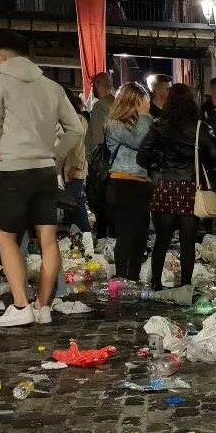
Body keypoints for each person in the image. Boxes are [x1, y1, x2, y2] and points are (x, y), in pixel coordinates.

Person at [0, 31, 85, 328]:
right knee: (48, 237)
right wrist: (54, 154)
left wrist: (5, 143)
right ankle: (44, 306)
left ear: (2, 57)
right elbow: (75, 130)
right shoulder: (52, 86)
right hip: (45, 170)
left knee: (5, 235)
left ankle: (20, 306)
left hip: (15, 167)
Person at [136, 83, 216, 291]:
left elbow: (142, 154)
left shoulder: (159, 124)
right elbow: (215, 155)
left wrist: (157, 166)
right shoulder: (200, 127)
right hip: (190, 186)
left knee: (162, 239)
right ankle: (186, 284)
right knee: (187, 241)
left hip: (165, 185)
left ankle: (156, 282)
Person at [104, 83, 154, 281]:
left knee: (141, 234)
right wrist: (143, 117)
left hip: (141, 183)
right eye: (143, 101)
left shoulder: (144, 121)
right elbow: (140, 141)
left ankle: (133, 277)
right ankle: (121, 277)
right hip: (122, 183)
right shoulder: (115, 124)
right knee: (126, 233)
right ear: (133, 102)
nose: (147, 104)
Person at [85, 72, 116, 239]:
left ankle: (104, 237)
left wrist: (95, 165)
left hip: (101, 164)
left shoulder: (100, 106)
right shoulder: (118, 104)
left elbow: (97, 139)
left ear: (97, 85)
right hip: (116, 163)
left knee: (100, 202)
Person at [59, 88, 91, 243]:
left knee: (76, 203)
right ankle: (80, 237)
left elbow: (80, 147)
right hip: (70, 167)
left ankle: (86, 236)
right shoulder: (73, 118)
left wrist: (76, 166)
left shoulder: (77, 119)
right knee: (74, 203)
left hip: (73, 168)